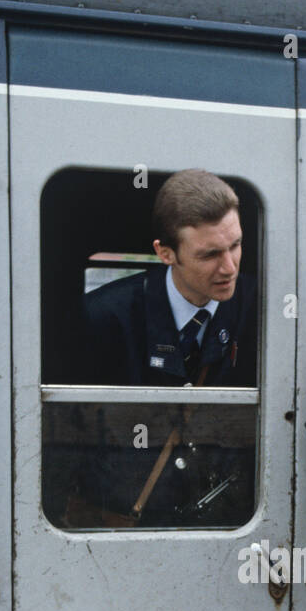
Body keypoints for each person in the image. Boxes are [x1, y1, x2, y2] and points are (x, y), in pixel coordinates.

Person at [68, 169, 257, 526]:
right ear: (165, 253)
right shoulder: (103, 317)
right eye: (210, 254)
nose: (229, 267)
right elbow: (70, 437)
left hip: (232, 526)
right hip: (125, 525)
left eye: (236, 245)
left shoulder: (264, 308)